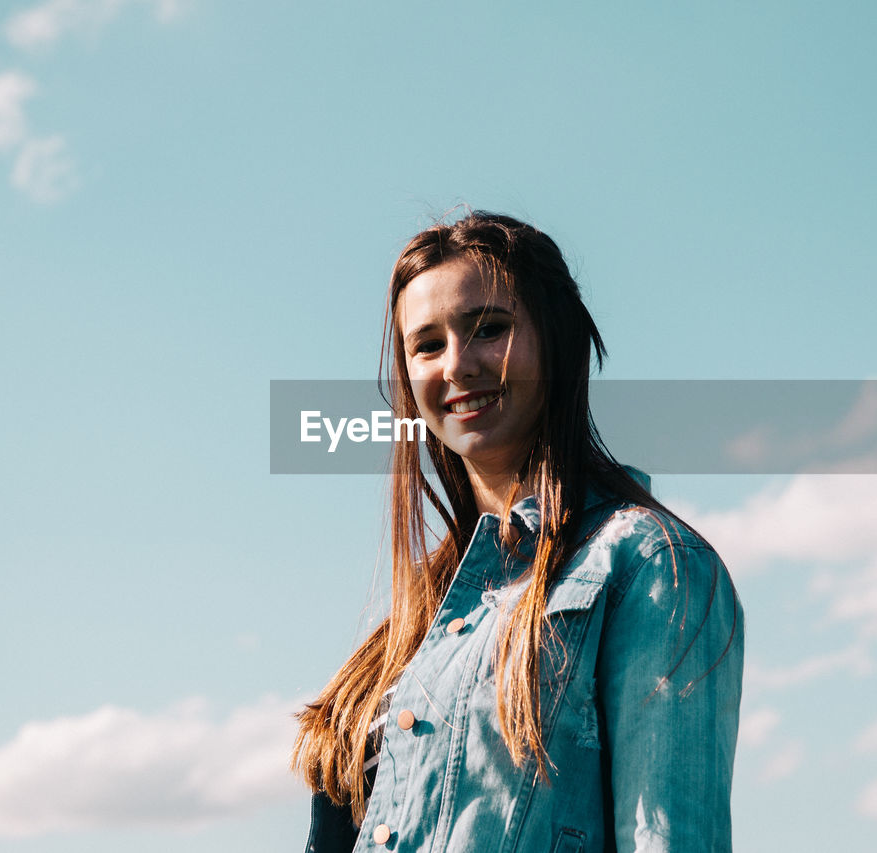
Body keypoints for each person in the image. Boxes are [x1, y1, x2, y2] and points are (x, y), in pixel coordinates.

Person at [292, 211, 744, 852]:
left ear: (554, 341)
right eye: (426, 345)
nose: (457, 365)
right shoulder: (428, 613)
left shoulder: (649, 563)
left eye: (490, 329)